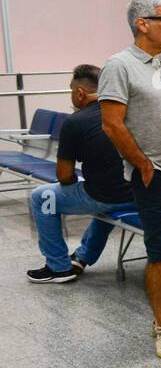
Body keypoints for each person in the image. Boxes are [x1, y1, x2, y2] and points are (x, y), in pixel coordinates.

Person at [98, 0, 161, 360]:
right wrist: (142, 163)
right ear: (142, 23)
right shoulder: (119, 65)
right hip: (153, 173)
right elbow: (111, 124)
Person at [26, 65, 134, 284]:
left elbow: (65, 175)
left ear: (80, 93)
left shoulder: (76, 122)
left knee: (41, 197)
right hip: (139, 193)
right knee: (107, 194)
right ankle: (83, 256)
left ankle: (58, 267)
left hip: (106, 197)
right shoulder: (130, 111)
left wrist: (74, 181)